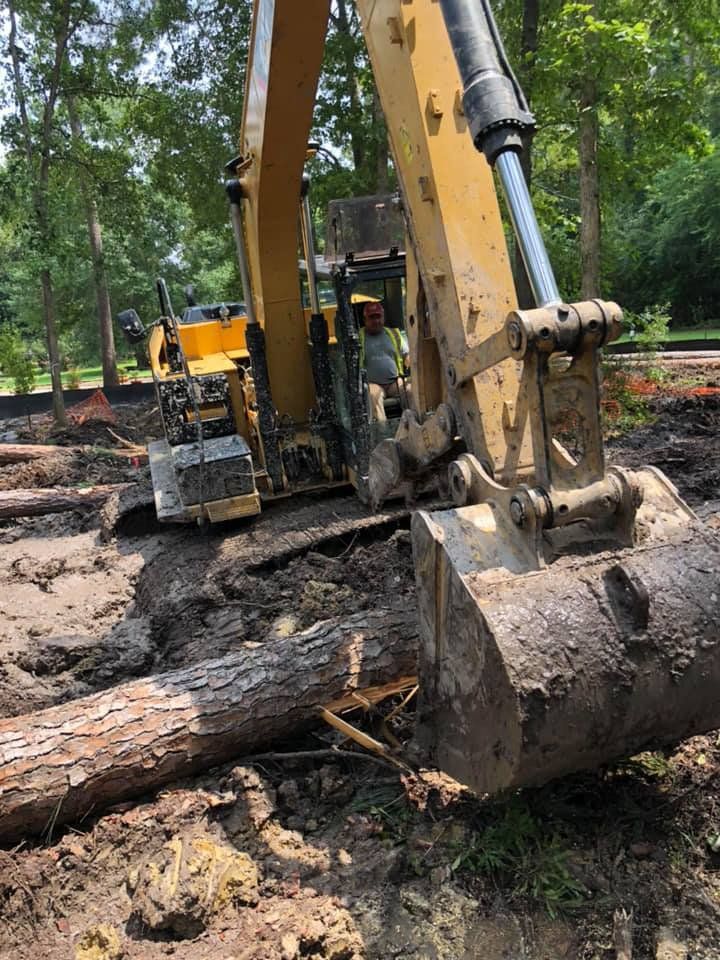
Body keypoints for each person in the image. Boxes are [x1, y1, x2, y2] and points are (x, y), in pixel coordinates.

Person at [359, 300, 411, 422]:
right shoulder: (358, 338)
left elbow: (407, 355)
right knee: (373, 396)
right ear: (365, 319)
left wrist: (410, 366)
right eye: (372, 317)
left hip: (394, 381)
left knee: (410, 390)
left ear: (383, 317)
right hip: (373, 384)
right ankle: (383, 433)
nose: (376, 321)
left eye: (378, 317)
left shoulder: (395, 334)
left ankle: (413, 425)